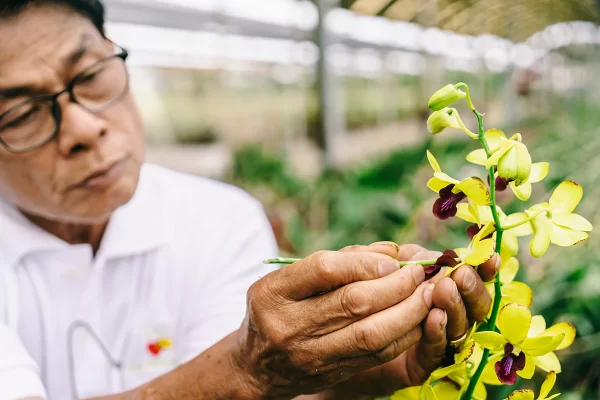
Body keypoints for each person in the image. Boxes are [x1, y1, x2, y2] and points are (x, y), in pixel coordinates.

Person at [0, 1, 498, 399]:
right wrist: (243, 372)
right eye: (22, 114)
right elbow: (239, 378)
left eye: (89, 76)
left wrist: (343, 376)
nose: (85, 129)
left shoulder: (217, 219)